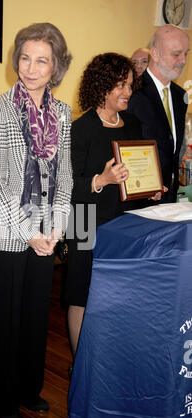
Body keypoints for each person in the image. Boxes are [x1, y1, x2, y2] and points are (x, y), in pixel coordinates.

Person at [0, 22, 73, 418]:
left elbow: (66, 176)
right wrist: (29, 232)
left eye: (42, 61)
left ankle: (27, 390)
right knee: (2, 320)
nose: (31, 68)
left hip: (46, 231)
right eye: (24, 58)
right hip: (6, 230)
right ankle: (0, 399)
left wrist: (57, 229)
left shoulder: (63, 113)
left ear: (56, 67)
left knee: (36, 318)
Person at [65, 53, 164, 358]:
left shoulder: (132, 122)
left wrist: (152, 189)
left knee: (118, 291)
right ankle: (81, 362)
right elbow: (68, 186)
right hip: (83, 219)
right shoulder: (80, 129)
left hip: (123, 221)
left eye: (130, 85)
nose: (127, 92)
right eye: (120, 85)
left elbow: (136, 173)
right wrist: (102, 179)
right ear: (101, 86)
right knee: (80, 294)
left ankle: (110, 359)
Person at [128, 25, 189, 203]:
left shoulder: (180, 95)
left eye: (186, 53)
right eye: (176, 54)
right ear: (155, 54)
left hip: (170, 196)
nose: (183, 60)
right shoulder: (132, 93)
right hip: (141, 198)